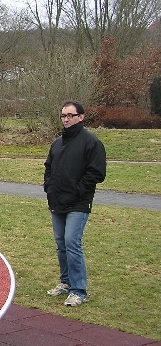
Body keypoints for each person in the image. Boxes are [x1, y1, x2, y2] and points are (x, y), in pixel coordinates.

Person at [44, 101, 106, 307]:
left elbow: (97, 173)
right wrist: (49, 187)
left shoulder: (91, 142)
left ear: (81, 117)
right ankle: (66, 282)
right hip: (57, 201)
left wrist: (78, 190)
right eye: (63, 116)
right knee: (61, 244)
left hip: (78, 203)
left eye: (70, 115)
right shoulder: (57, 143)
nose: (66, 119)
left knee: (72, 243)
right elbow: (49, 167)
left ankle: (78, 290)